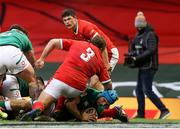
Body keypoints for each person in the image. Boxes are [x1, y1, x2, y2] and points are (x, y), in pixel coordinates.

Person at [20, 37, 112, 121]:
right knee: (73, 100)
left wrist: (42, 58)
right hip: (77, 88)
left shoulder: (79, 43)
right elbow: (108, 85)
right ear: (102, 49)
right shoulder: (101, 63)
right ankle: (78, 116)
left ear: (90, 42)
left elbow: (53, 42)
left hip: (61, 79)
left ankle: (38, 109)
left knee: (41, 102)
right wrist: (108, 94)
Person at [124, 11, 170, 119]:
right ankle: (141, 114)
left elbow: (151, 50)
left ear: (144, 23)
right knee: (139, 90)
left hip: (150, 66)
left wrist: (136, 58)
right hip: (142, 66)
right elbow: (136, 49)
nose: (139, 28)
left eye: (140, 25)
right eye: (137, 26)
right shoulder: (138, 35)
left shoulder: (151, 34)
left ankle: (164, 110)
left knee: (147, 90)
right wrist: (131, 55)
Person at [61, 9, 119, 90]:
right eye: (65, 20)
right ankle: (105, 100)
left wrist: (106, 64)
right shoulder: (75, 32)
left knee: (96, 81)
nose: (67, 22)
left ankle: (108, 100)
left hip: (108, 53)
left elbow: (102, 44)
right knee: (93, 83)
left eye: (69, 19)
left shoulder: (85, 27)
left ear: (75, 18)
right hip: (97, 56)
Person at [0, 24, 38, 100]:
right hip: (12, 52)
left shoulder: (2, 34)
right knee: (32, 81)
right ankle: (35, 106)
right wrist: (30, 71)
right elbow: (32, 60)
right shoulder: (23, 36)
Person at [50, 87, 128, 122]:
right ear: (102, 94)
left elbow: (100, 113)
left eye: (106, 103)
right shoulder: (88, 92)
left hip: (77, 110)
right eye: (104, 100)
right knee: (58, 116)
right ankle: (58, 109)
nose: (103, 104)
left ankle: (116, 112)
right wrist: (81, 117)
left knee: (95, 115)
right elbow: (69, 104)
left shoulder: (100, 105)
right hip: (65, 107)